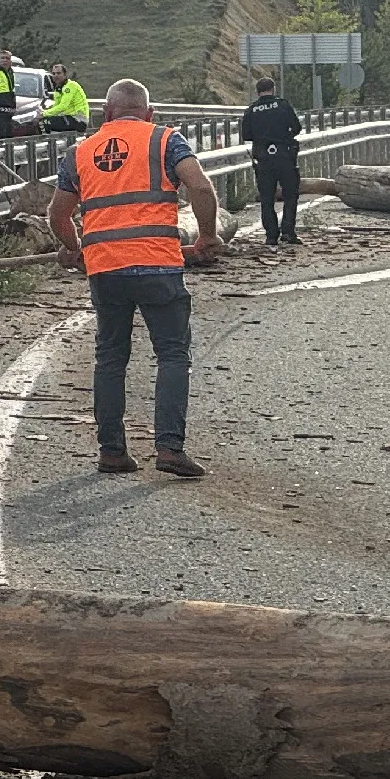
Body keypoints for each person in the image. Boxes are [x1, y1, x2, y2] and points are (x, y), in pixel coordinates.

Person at [47, 78, 224, 479]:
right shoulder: (165, 140)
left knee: (110, 359)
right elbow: (199, 185)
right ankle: (169, 448)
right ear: (149, 113)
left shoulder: (80, 152)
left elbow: (58, 214)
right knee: (173, 355)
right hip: (158, 266)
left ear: (105, 114)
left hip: (105, 269)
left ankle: (112, 452)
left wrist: (72, 248)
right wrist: (208, 236)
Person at [237, 77, 305, 244]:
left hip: (263, 159)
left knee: (267, 199)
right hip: (285, 156)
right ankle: (288, 232)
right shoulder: (283, 105)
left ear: (257, 92)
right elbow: (296, 127)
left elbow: (246, 135)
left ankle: (271, 236)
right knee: (290, 195)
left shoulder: (251, 110)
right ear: (273, 89)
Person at [42, 63, 89, 134]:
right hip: (69, 118)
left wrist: (44, 113)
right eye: (54, 74)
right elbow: (56, 107)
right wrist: (45, 113)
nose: (56, 76)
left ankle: (51, 143)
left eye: (58, 73)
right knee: (45, 121)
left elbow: (63, 106)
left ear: (65, 74)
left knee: (45, 122)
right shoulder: (58, 89)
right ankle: (53, 142)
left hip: (78, 120)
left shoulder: (70, 86)